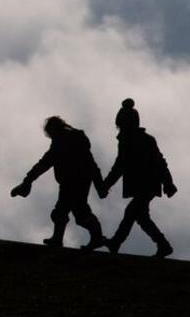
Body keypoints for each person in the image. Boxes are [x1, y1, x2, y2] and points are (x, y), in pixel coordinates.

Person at [10, 115, 109, 250]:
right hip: (72, 181)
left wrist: (27, 181)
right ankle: (64, 239)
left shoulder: (65, 141)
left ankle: (92, 238)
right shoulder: (67, 141)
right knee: (70, 212)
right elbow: (46, 162)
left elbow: (45, 163)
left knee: (72, 212)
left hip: (74, 181)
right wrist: (27, 181)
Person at [98, 98, 176, 257]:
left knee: (135, 213)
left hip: (145, 184)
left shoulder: (129, 140)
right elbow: (160, 162)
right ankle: (118, 242)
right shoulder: (145, 139)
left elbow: (120, 166)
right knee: (137, 214)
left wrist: (105, 185)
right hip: (149, 183)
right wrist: (168, 183)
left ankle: (162, 245)